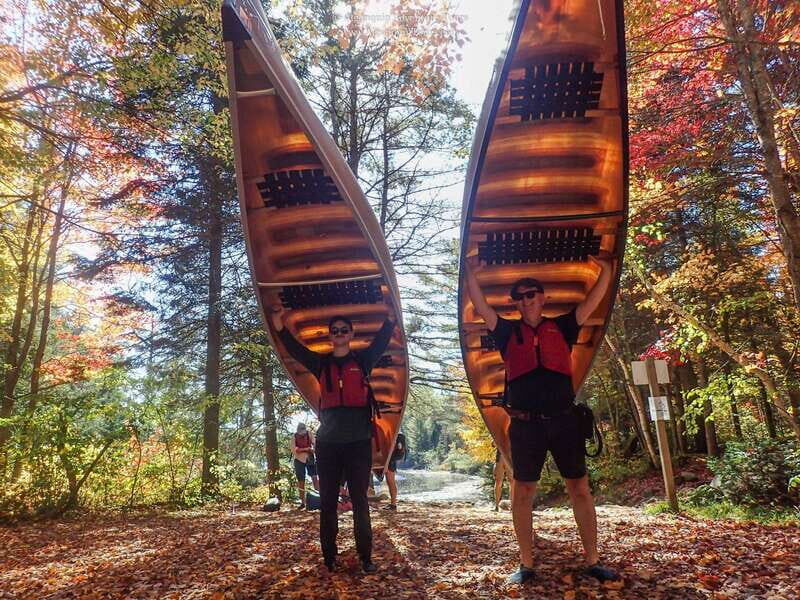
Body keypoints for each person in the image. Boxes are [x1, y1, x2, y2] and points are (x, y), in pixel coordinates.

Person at [464, 254, 620, 584]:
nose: (525, 300)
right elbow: (480, 305)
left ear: (542, 297)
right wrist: (471, 274)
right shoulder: (506, 332)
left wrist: (605, 270)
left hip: (564, 421)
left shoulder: (564, 325)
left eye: (531, 293)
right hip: (525, 425)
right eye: (519, 297)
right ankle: (526, 564)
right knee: (522, 492)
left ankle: (592, 560)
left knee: (579, 487)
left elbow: (595, 299)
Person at [271, 306, 395, 574]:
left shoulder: (362, 361)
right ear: (331, 336)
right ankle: (329, 557)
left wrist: (392, 318)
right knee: (328, 502)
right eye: (335, 331)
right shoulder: (321, 363)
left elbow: (382, 340)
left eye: (343, 330)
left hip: (358, 443)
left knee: (360, 502)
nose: (339, 334)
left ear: (350, 334)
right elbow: (295, 351)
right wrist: (279, 326)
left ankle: (366, 557)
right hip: (328, 445)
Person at [291, 422, 318, 508]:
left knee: (314, 477)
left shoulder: (309, 434)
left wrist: (313, 449)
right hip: (299, 460)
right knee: (301, 480)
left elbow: (315, 444)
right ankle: (302, 502)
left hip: (310, 458)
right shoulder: (294, 437)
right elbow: (294, 450)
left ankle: (319, 498)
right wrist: (306, 449)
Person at [384, 431, 406, 510]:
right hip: (390, 460)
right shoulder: (394, 433)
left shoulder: (397, 435)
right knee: (390, 482)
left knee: (391, 482)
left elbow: (398, 448)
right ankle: (393, 504)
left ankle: (393, 504)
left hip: (390, 461)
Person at [493, 447, 510, 511]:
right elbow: (493, 443)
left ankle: (512, 507)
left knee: (512, 482)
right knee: (498, 482)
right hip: (499, 457)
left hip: (511, 457)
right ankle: (497, 506)